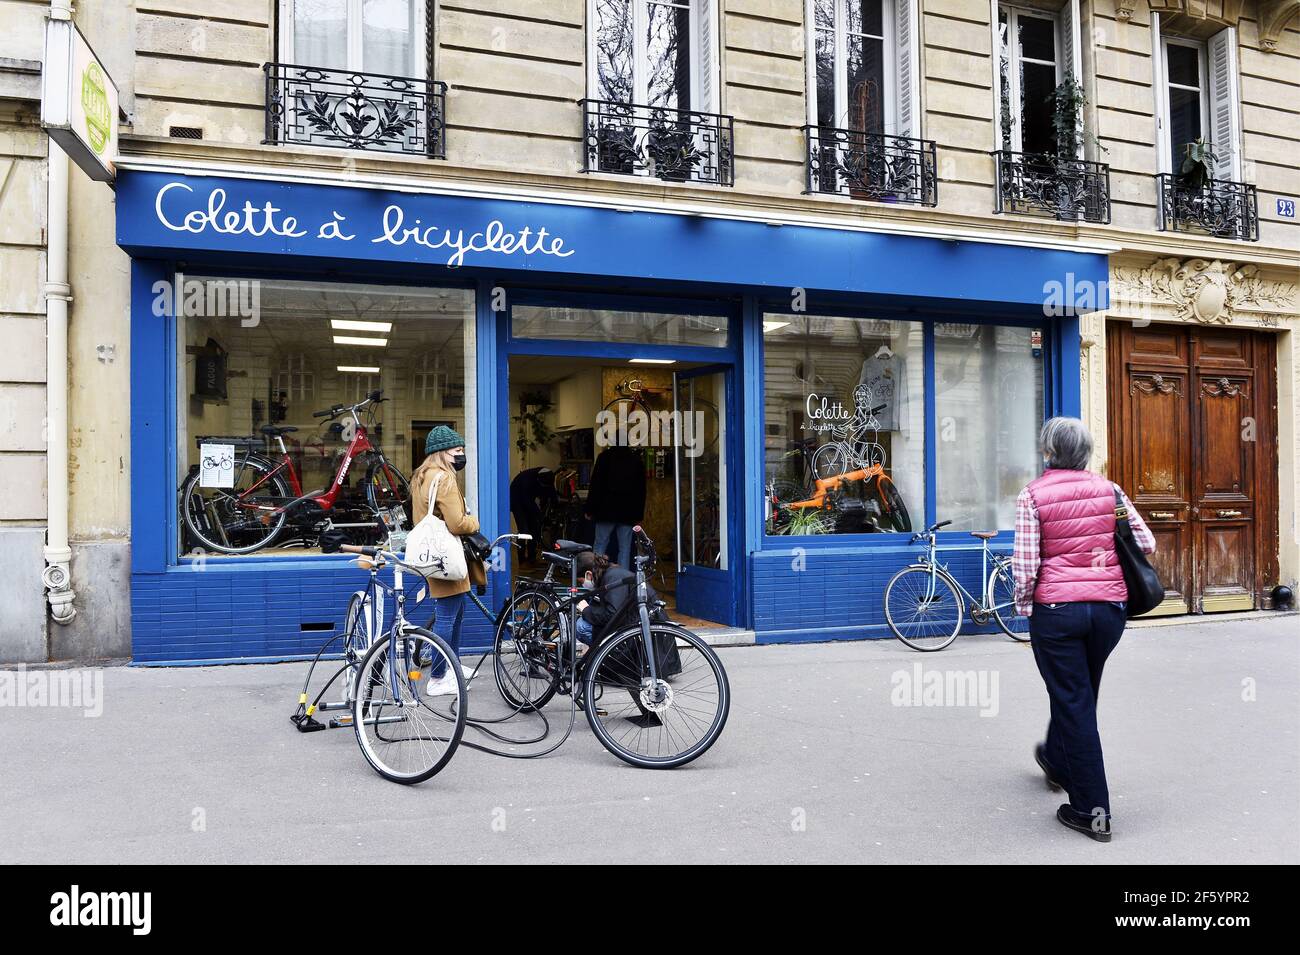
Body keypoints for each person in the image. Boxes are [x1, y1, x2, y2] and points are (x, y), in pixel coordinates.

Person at [1013, 416, 1155, 843]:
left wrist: (1027, 608)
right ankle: (1056, 759)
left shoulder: (1033, 495)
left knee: (1074, 699)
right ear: (1087, 453)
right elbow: (1145, 543)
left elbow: (1025, 564)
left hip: (1057, 613)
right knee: (1078, 693)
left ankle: (1092, 811)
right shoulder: (1110, 491)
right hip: (1108, 612)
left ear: (1048, 452)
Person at [409, 425, 485, 696]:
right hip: (447, 556)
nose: (461, 455)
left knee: (455, 614)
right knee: (448, 617)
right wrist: (474, 521)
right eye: (457, 450)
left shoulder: (422, 476)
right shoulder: (445, 479)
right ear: (441, 453)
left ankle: (451, 666)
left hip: (432, 554)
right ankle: (439, 677)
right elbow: (457, 523)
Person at [586, 441, 645, 570]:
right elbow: (640, 490)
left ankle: (597, 578)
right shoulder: (635, 460)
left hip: (605, 511)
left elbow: (596, 485)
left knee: (600, 545)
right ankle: (621, 583)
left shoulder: (604, 457)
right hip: (627, 512)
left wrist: (590, 509)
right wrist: (639, 515)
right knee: (624, 548)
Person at [509, 466, 557, 562]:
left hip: (528, 499)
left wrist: (554, 507)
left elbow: (551, 493)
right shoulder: (526, 480)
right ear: (538, 480)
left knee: (534, 528)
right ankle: (522, 560)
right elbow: (528, 503)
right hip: (516, 501)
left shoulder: (549, 477)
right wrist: (541, 516)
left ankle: (532, 558)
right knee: (524, 529)